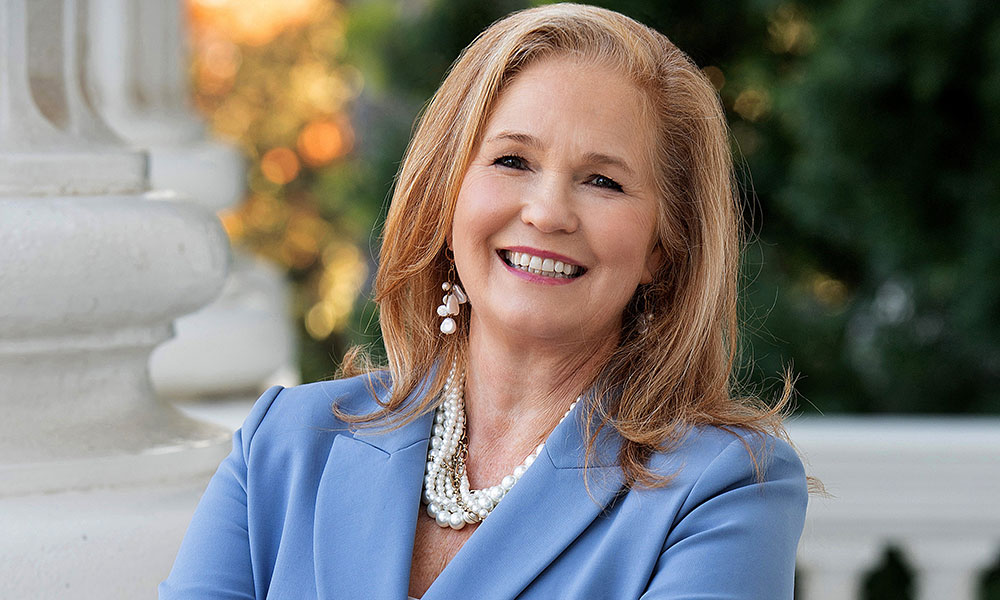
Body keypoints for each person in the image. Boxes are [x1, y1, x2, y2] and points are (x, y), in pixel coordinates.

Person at [160, 3, 808, 599]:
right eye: (512, 162)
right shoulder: (284, 445)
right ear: (446, 197)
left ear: (662, 248)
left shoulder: (722, 489)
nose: (547, 212)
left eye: (603, 181)